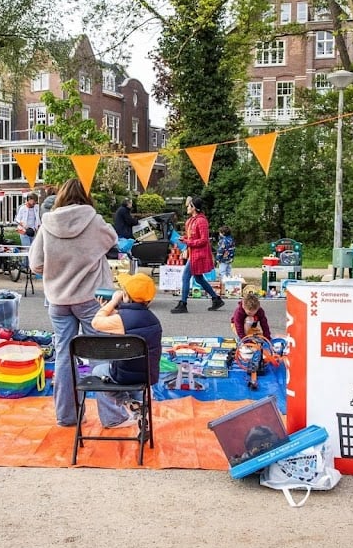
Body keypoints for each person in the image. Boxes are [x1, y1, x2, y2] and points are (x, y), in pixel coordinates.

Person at [29, 178, 117, 427]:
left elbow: (35, 264)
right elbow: (112, 239)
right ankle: (112, 416)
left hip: (58, 299)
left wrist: (58, 268)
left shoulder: (47, 224)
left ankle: (66, 415)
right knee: (100, 354)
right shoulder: (94, 220)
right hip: (91, 297)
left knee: (64, 355)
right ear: (86, 197)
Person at [90, 272, 163, 428]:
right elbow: (132, 320)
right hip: (148, 375)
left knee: (97, 371)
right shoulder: (153, 319)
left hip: (123, 375)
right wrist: (115, 310)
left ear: (125, 295)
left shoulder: (121, 320)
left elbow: (96, 323)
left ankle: (128, 402)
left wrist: (111, 303)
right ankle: (141, 411)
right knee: (136, 376)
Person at [171, 197, 224, 313]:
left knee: (185, 277)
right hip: (194, 253)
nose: (187, 207)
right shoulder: (191, 220)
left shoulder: (201, 221)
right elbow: (192, 237)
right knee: (198, 278)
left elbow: (204, 240)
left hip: (199, 254)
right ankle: (216, 299)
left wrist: (187, 242)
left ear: (194, 207)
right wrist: (184, 238)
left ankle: (183, 304)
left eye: (189, 206)